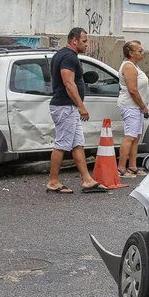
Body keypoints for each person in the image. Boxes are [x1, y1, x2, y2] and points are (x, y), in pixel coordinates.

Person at [46, 27, 108, 194]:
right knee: (61, 144)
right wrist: (81, 106)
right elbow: (68, 83)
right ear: (74, 41)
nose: (86, 45)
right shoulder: (68, 56)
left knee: (77, 144)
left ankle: (86, 180)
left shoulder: (64, 55)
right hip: (65, 106)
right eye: (84, 41)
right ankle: (53, 182)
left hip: (68, 107)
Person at [117, 40, 149, 178]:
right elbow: (133, 90)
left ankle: (132, 166)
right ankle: (121, 168)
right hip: (131, 105)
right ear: (130, 53)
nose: (142, 53)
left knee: (136, 137)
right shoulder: (129, 67)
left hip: (136, 107)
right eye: (139, 51)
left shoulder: (135, 66)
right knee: (129, 136)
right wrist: (143, 107)